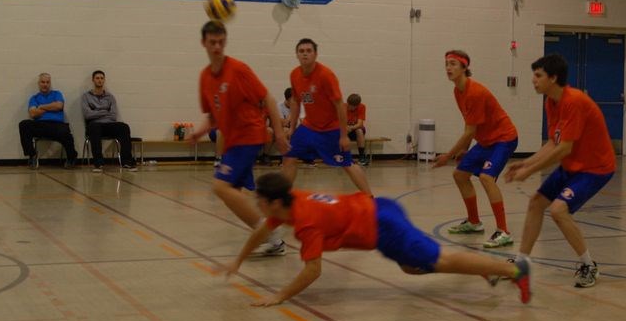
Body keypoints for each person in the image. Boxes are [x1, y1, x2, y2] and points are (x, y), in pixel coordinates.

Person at [221, 172, 531, 306]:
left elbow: (312, 271)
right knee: (411, 267)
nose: (256, 205)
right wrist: (238, 260)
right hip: (381, 208)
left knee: (440, 259)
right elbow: (262, 229)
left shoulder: (305, 223)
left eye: (259, 200)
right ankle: (482, 268)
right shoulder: (290, 202)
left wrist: (280, 295)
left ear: (275, 202)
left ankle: (514, 270)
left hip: (383, 227)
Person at [503, 54, 616, 288]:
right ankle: (522, 262)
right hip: (573, 165)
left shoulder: (574, 101)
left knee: (558, 210)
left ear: (553, 78)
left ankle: (588, 265)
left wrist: (531, 170)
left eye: (538, 76)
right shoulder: (551, 101)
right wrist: (525, 163)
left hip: (595, 169)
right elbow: (553, 143)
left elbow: (565, 148)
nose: (533, 80)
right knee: (536, 203)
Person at [188, 21, 289, 255]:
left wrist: (280, 133)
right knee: (236, 193)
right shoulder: (205, 77)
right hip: (232, 141)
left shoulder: (239, 70)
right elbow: (212, 116)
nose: (217, 47)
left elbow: (269, 100)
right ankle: (275, 239)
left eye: (221, 42)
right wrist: (198, 132)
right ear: (204, 43)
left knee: (220, 186)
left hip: (249, 135)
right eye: (212, 42)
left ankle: (269, 232)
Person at [433, 50, 518, 249]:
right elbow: (470, 127)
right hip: (485, 141)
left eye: (453, 64)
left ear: (464, 68)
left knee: (487, 178)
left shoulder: (475, 92)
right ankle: (474, 222)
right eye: (446, 64)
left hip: (503, 139)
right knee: (460, 175)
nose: (448, 68)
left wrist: (448, 155)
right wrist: (465, 150)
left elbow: (469, 131)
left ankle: (503, 231)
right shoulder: (458, 91)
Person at [283, 38, 371, 194]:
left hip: (331, 128)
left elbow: (340, 106)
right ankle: (283, 197)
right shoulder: (294, 75)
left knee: (347, 164)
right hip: (309, 128)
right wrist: (292, 127)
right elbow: (296, 102)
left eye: (309, 51)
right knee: (289, 157)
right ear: (297, 55)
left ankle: (370, 198)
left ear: (315, 54)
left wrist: (344, 136)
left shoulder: (326, 75)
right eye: (301, 51)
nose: (305, 54)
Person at [18, 73, 79, 169]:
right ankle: (32, 155)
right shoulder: (34, 98)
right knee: (23, 124)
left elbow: (59, 106)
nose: (45, 84)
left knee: (66, 133)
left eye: (47, 82)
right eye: (43, 82)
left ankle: (71, 158)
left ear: (50, 83)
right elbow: (33, 113)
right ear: (39, 83)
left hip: (57, 125)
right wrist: (52, 106)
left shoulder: (57, 94)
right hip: (41, 125)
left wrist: (41, 107)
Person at [81, 70, 137, 172]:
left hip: (109, 124)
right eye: (97, 78)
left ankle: (127, 162)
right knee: (94, 127)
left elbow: (113, 116)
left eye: (102, 78)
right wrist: (104, 111)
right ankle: (98, 164)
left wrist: (96, 112)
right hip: (94, 125)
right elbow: (87, 115)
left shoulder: (110, 97)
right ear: (93, 80)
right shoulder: (86, 96)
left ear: (104, 80)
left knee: (124, 127)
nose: (100, 80)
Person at [345, 93, 369, 167]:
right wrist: (345, 127)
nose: (350, 108)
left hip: (355, 129)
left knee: (359, 130)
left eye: (353, 107)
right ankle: (344, 156)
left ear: (357, 105)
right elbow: (338, 122)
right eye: (349, 105)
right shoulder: (342, 107)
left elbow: (360, 124)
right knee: (341, 132)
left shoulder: (362, 107)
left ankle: (362, 156)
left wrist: (351, 128)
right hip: (346, 129)